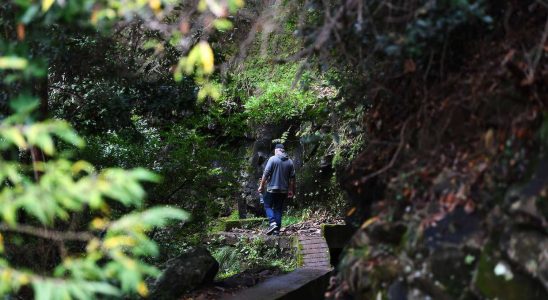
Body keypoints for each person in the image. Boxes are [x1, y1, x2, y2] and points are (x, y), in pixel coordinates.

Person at [258, 143, 296, 235]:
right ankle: (276, 231)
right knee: (278, 209)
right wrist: (290, 190)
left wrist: (261, 186)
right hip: (283, 191)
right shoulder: (290, 162)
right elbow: (292, 179)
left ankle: (272, 222)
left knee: (267, 205)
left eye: (275, 150)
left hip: (272, 189)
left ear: (277, 150)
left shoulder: (272, 159)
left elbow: (266, 174)